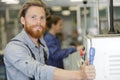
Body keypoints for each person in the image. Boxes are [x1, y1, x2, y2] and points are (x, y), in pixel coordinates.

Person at [3, 0, 95, 80]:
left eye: (42, 18)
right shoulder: (14, 48)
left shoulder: (41, 42)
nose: (38, 22)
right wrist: (79, 74)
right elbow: (38, 71)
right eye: (33, 17)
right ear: (23, 20)